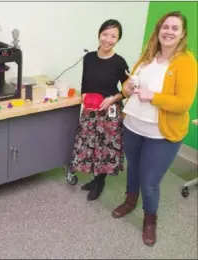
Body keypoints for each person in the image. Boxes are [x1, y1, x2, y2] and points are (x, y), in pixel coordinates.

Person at [112, 11, 197, 247]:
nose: (168, 31)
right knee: (133, 170)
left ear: (182, 35)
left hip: (162, 133)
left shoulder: (186, 62)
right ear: (158, 30)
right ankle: (130, 201)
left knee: (149, 180)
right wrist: (127, 87)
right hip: (133, 126)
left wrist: (154, 97)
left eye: (175, 28)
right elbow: (129, 86)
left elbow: (183, 103)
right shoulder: (148, 56)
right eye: (165, 26)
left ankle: (150, 220)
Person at [69, 19, 129, 201]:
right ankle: (95, 178)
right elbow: (85, 84)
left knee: (104, 148)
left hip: (109, 112)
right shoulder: (89, 58)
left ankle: (100, 181)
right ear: (99, 34)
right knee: (90, 145)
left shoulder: (119, 62)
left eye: (113, 36)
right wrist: (84, 97)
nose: (108, 40)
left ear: (117, 40)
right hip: (91, 109)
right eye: (105, 34)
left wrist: (113, 99)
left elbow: (127, 90)